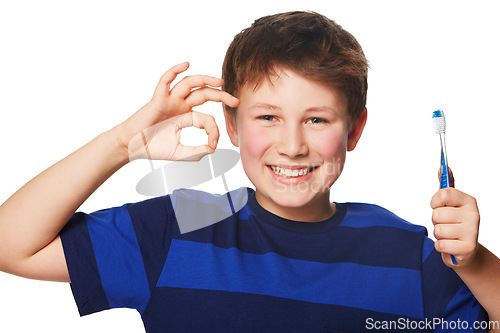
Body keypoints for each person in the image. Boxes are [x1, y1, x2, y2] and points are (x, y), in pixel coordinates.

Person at [0, 10, 499, 332]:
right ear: (232, 126)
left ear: (354, 129)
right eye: (268, 117)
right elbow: (11, 243)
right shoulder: (179, 225)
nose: (292, 145)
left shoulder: (411, 254)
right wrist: (122, 145)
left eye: (317, 120)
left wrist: (475, 262)